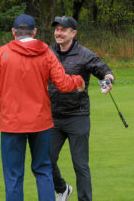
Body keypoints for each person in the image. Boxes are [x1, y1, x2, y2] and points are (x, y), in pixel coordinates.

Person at [0, 14, 85, 201]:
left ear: (14, 32)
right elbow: (64, 84)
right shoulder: (47, 53)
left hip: (12, 124)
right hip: (41, 123)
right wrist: (78, 80)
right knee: (43, 170)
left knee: (13, 174)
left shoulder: (1, 53)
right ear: (34, 32)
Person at [48, 16, 114, 201]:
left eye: (63, 29)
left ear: (73, 33)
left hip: (77, 116)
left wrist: (107, 81)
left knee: (80, 165)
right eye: (56, 29)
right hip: (52, 117)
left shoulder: (85, 54)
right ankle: (62, 189)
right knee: (46, 160)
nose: (58, 33)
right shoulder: (47, 52)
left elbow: (105, 71)